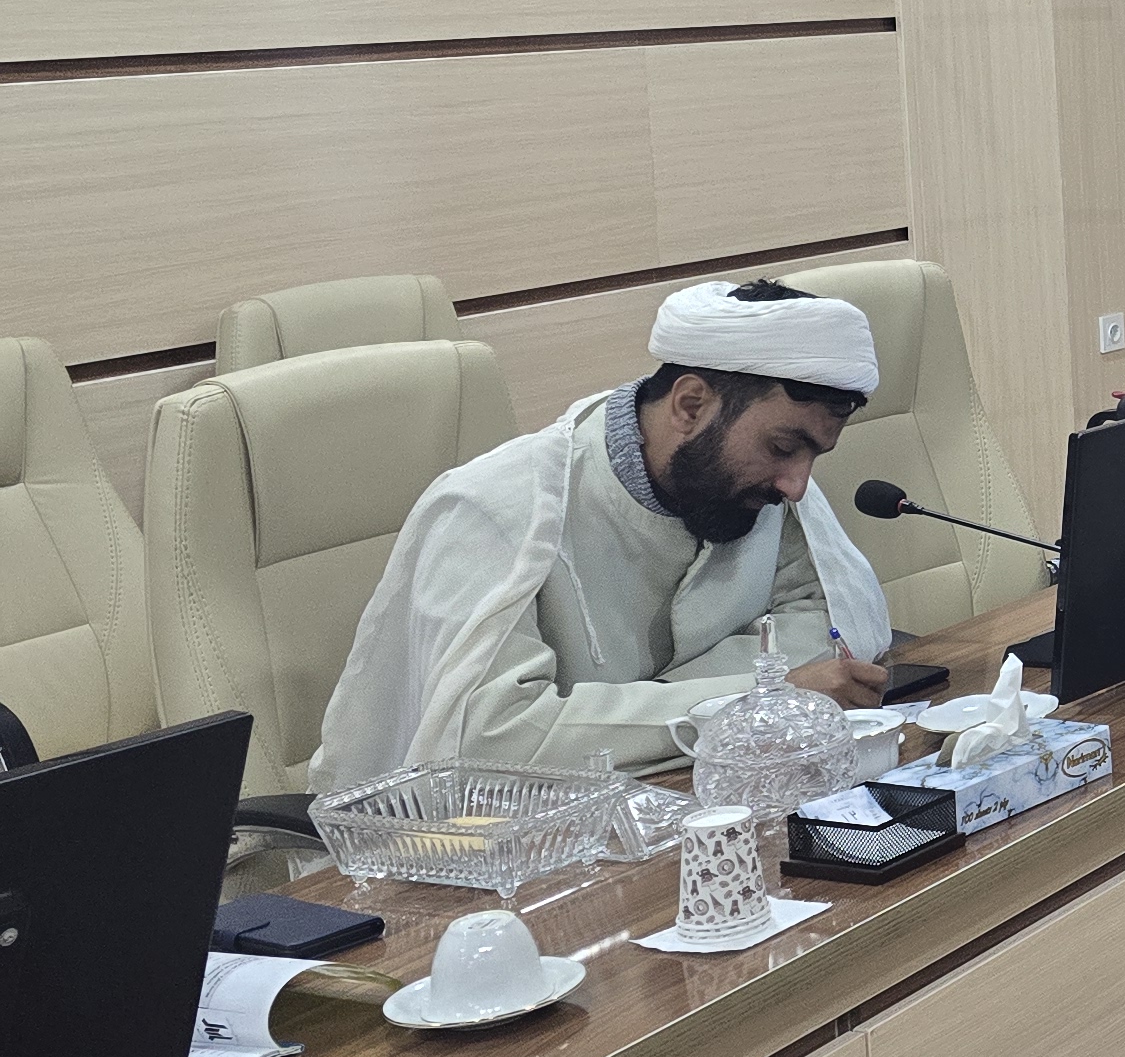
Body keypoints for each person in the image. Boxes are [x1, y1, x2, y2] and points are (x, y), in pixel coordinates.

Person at [312, 280, 898, 788]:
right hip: (475, 847)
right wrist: (751, 700)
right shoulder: (498, 507)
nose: (796, 485)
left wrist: (642, 713)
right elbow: (486, 739)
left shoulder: (752, 482)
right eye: (784, 447)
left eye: (813, 455)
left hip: (682, 798)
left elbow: (837, 624)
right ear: (691, 405)